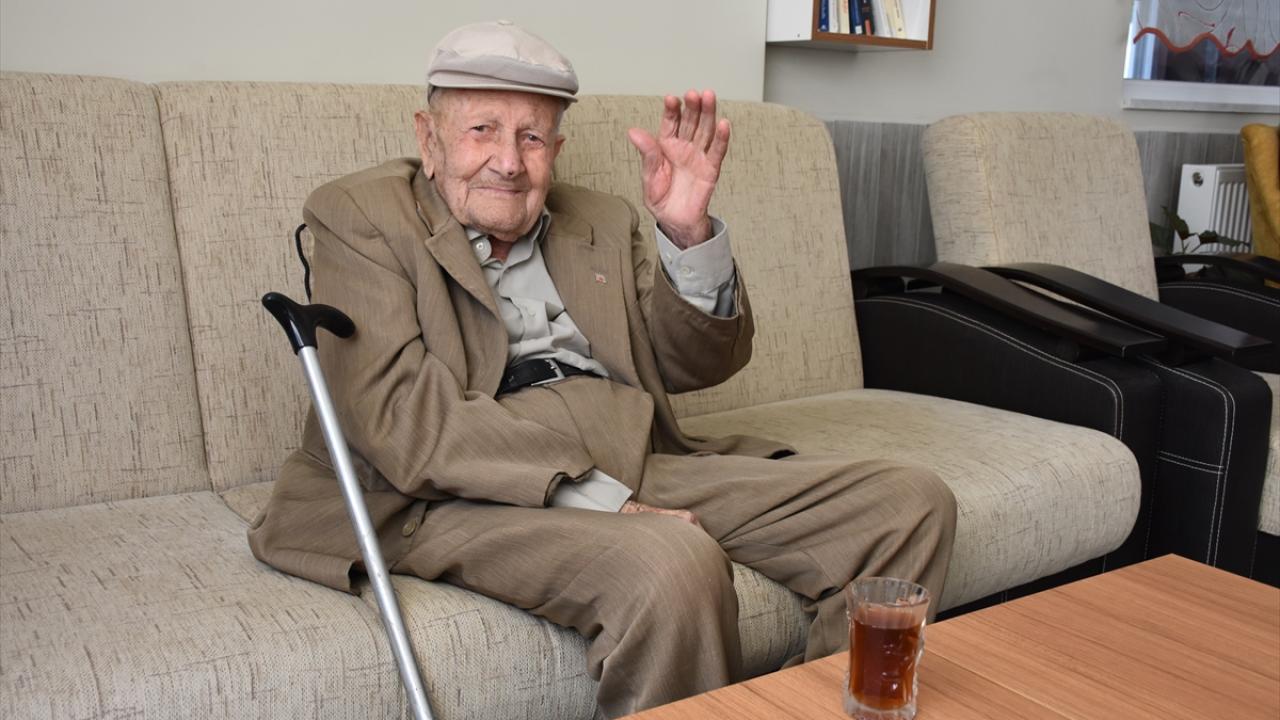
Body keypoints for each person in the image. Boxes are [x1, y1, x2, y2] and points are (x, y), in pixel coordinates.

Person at [249, 19, 956, 718]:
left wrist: (686, 234)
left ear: (557, 148)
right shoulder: (360, 214)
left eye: (532, 138)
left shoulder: (601, 219)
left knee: (907, 504)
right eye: (482, 130)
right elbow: (401, 420)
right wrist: (603, 500)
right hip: (454, 489)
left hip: (631, 450)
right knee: (669, 563)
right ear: (428, 139)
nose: (508, 162)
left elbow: (694, 362)